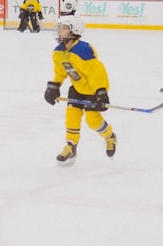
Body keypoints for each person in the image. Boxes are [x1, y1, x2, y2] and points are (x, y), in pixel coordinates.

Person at [42, 15, 116, 166]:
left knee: (92, 120)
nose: (59, 31)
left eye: (63, 28)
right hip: (76, 88)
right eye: (60, 28)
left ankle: (109, 136)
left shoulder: (83, 50)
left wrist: (101, 92)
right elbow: (60, 71)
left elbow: (96, 72)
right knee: (71, 117)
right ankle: (71, 146)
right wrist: (54, 86)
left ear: (73, 31)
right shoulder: (58, 52)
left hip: (92, 90)